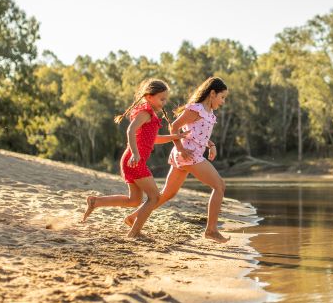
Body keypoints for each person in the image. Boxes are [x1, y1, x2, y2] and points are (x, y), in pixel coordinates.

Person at [125, 76, 230, 243]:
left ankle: (134, 217)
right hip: (189, 155)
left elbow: (198, 134)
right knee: (219, 186)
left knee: (167, 194)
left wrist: (211, 144)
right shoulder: (196, 109)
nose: (223, 101)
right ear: (212, 93)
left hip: (188, 155)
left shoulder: (209, 113)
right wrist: (181, 149)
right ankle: (211, 230)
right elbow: (174, 127)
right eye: (222, 97)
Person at [80, 78, 183, 238]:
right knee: (154, 197)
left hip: (132, 161)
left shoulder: (151, 116)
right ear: (149, 97)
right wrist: (135, 153)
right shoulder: (145, 112)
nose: (164, 102)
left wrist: (175, 136)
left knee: (134, 200)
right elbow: (130, 131)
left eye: (165, 99)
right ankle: (134, 232)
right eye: (161, 99)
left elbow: (154, 138)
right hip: (134, 160)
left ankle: (96, 202)